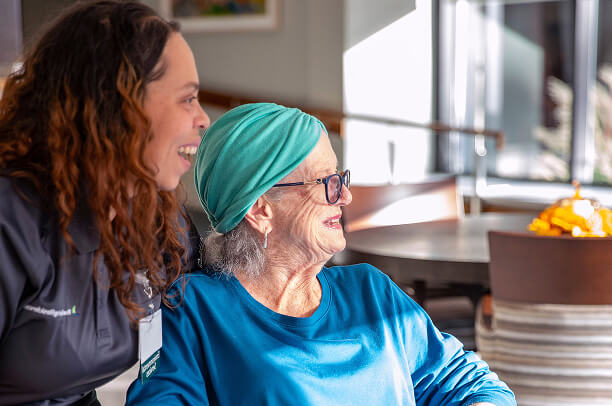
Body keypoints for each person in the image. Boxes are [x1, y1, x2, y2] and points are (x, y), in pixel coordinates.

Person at [126, 103, 516, 405]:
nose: (344, 196)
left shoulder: (371, 291)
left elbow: (475, 384)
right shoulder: (181, 309)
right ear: (261, 209)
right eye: (327, 183)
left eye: (340, 179)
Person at [0, 1, 210, 404]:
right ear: (117, 106)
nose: (203, 119)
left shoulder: (164, 223)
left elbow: (212, 325)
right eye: (188, 99)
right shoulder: (12, 221)